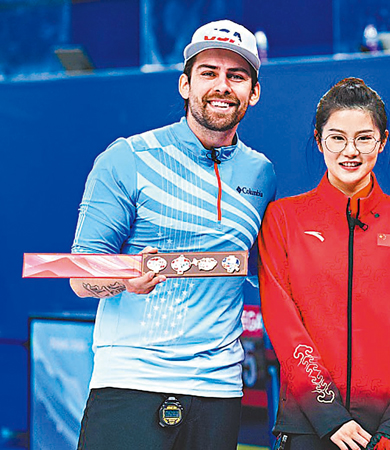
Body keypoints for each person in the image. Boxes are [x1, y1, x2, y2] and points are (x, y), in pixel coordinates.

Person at [69, 19, 276, 450]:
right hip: (131, 382)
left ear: (254, 92)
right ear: (185, 85)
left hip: (219, 390)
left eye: (236, 76)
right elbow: (80, 275)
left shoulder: (261, 173)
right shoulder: (126, 158)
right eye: (208, 73)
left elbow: (262, 269)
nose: (222, 86)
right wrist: (123, 278)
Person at [258, 78, 390, 450]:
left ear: (382, 141)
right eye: (337, 138)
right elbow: (283, 324)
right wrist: (328, 414)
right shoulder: (283, 219)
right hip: (309, 425)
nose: (350, 151)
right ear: (319, 140)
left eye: (364, 138)